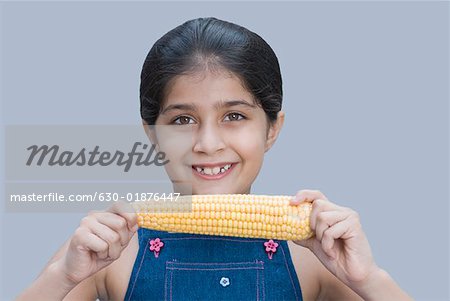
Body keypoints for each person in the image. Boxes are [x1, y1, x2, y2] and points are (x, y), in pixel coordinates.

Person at [17, 17, 412, 300]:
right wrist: (61, 277)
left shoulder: (312, 256)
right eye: (183, 119)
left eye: (235, 116)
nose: (207, 143)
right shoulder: (110, 253)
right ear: (152, 135)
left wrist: (369, 280)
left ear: (272, 128)